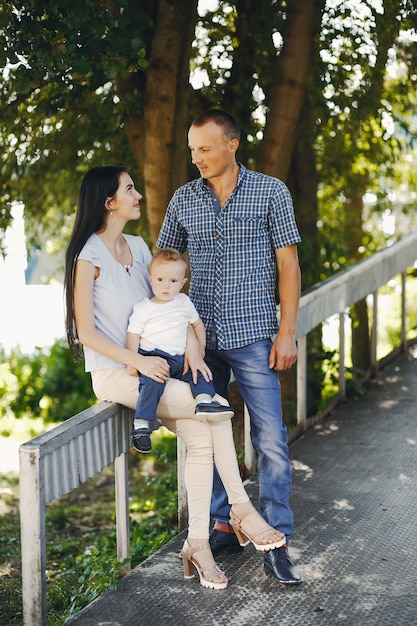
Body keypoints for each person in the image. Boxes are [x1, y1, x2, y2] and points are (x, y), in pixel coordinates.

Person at [64, 165, 287, 591]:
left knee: (202, 439)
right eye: (130, 190)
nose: (138, 196)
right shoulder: (87, 258)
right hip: (118, 373)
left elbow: (171, 309)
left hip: (159, 368)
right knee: (216, 408)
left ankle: (198, 544)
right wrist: (138, 360)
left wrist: (193, 351)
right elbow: (86, 331)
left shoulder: (138, 248)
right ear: (109, 202)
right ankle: (242, 508)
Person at [157, 109, 302, 584]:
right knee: (209, 435)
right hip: (199, 343)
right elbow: (164, 269)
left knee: (271, 439)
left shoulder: (270, 192)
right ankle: (222, 523)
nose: (196, 157)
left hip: (255, 335)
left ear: (232, 145)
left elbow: (289, 266)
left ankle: (275, 536)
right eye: (192, 149)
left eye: (205, 148)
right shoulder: (182, 200)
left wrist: (286, 331)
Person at [126, 248, 234, 453]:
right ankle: (141, 424)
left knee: (199, 371)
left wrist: (200, 350)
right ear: (150, 279)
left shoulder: (184, 302)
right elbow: (133, 335)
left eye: (173, 281)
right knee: (152, 383)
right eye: (160, 280)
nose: (166, 285)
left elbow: (197, 325)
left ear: (183, 283)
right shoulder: (144, 308)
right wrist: (133, 361)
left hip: (180, 358)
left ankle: (203, 401)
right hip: (154, 357)